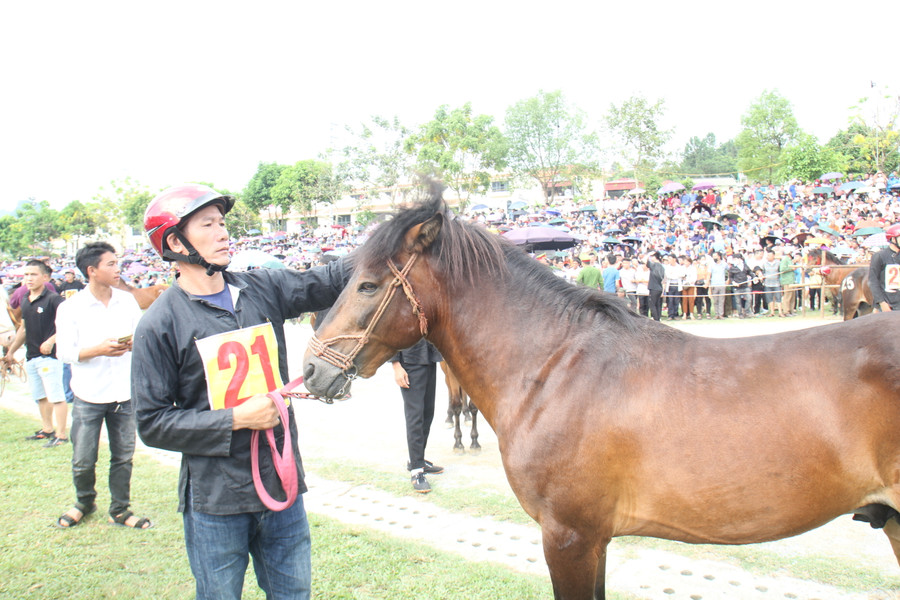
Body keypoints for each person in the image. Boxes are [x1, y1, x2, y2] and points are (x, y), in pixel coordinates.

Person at [132, 184, 349, 600]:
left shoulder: (262, 288)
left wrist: (397, 237)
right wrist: (235, 419)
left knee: (294, 594)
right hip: (216, 500)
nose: (222, 233)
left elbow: (327, 280)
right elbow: (152, 423)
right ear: (175, 242)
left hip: (282, 485)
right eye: (208, 225)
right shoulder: (158, 324)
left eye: (223, 223)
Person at [53, 242, 150, 529]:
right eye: (110, 263)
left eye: (117, 261)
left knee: (123, 457)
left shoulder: (128, 301)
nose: (117, 268)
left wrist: (134, 344)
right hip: (89, 394)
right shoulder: (71, 307)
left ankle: (120, 509)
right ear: (92, 271)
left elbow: (141, 336)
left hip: (124, 393)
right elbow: (65, 352)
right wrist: (98, 350)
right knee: (84, 458)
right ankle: (84, 502)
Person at [2, 260, 68, 446]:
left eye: (33, 274)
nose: (29, 278)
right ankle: (47, 429)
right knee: (40, 396)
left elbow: (68, 325)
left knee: (56, 396)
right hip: (31, 355)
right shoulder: (25, 300)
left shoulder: (54, 299)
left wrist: (51, 340)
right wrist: (11, 351)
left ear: (45, 277)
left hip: (50, 356)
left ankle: (61, 435)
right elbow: (24, 328)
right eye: (26, 275)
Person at [390, 338, 444, 493]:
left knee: (428, 413)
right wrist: (396, 366)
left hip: (428, 358)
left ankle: (418, 460)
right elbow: (391, 332)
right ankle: (416, 471)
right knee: (415, 416)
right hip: (409, 363)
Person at [869, 223, 900, 311]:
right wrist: (881, 302)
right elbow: (873, 281)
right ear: (893, 239)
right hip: (888, 303)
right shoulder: (879, 256)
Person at [647, 252, 666, 321]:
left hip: (654, 287)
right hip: (659, 287)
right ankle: (658, 318)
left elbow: (644, 261)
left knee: (652, 304)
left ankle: (656, 319)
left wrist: (648, 254)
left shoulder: (654, 265)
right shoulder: (662, 266)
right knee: (658, 304)